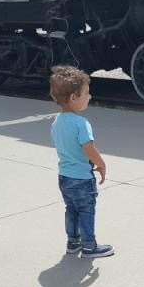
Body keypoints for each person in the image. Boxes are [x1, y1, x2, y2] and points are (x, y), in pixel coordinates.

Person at [49, 65, 114, 259]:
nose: (90, 96)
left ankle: (73, 242)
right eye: (86, 93)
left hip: (64, 177)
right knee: (86, 211)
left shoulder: (57, 122)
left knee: (71, 210)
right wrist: (101, 164)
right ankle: (89, 247)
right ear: (73, 97)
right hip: (82, 180)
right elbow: (89, 149)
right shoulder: (81, 123)